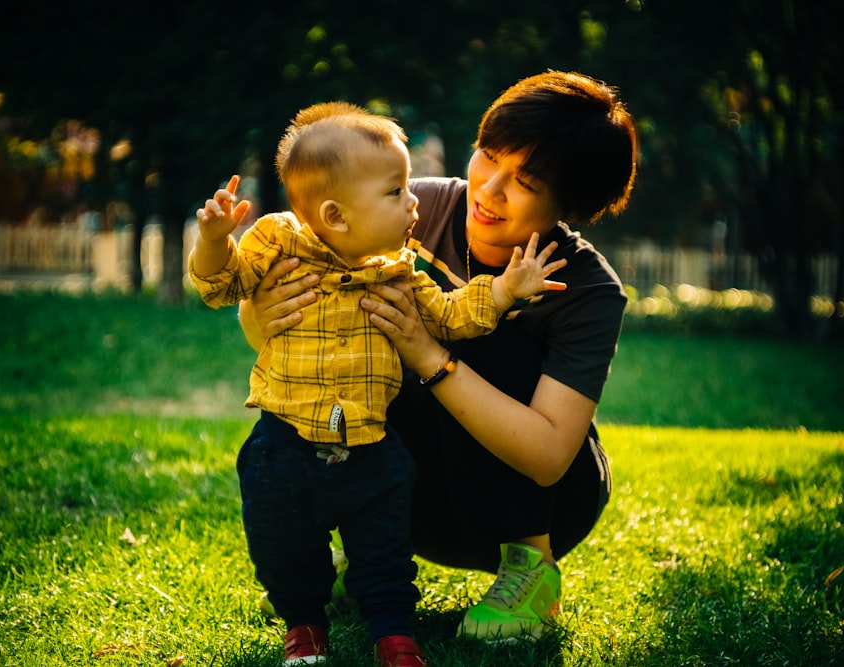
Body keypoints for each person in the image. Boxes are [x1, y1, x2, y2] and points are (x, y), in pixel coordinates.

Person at [240, 71, 639, 644]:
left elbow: (550, 455)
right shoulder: (406, 207)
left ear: (568, 205)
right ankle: (355, 550)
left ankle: (530, 570)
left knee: (486, 334)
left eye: (523, 180)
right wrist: (265, 310)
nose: (489, 189)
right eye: (487, 156)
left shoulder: (588, 290)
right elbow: (282, 327)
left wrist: (428, 353)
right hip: (406, 492)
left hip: (536, 504)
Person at [188, 102, 567, 666]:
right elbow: (221, 285)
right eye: (396, 192)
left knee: (385, 550)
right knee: (283, 544)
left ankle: (395, 634)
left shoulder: (399, 268)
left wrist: (506, 290)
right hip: (283, 443)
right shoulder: (276, 243)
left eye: (408, 186)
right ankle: (304, 627)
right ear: (337, 215)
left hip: (371, 448)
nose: (413, 201)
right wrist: (216, 240)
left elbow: (450, 316)